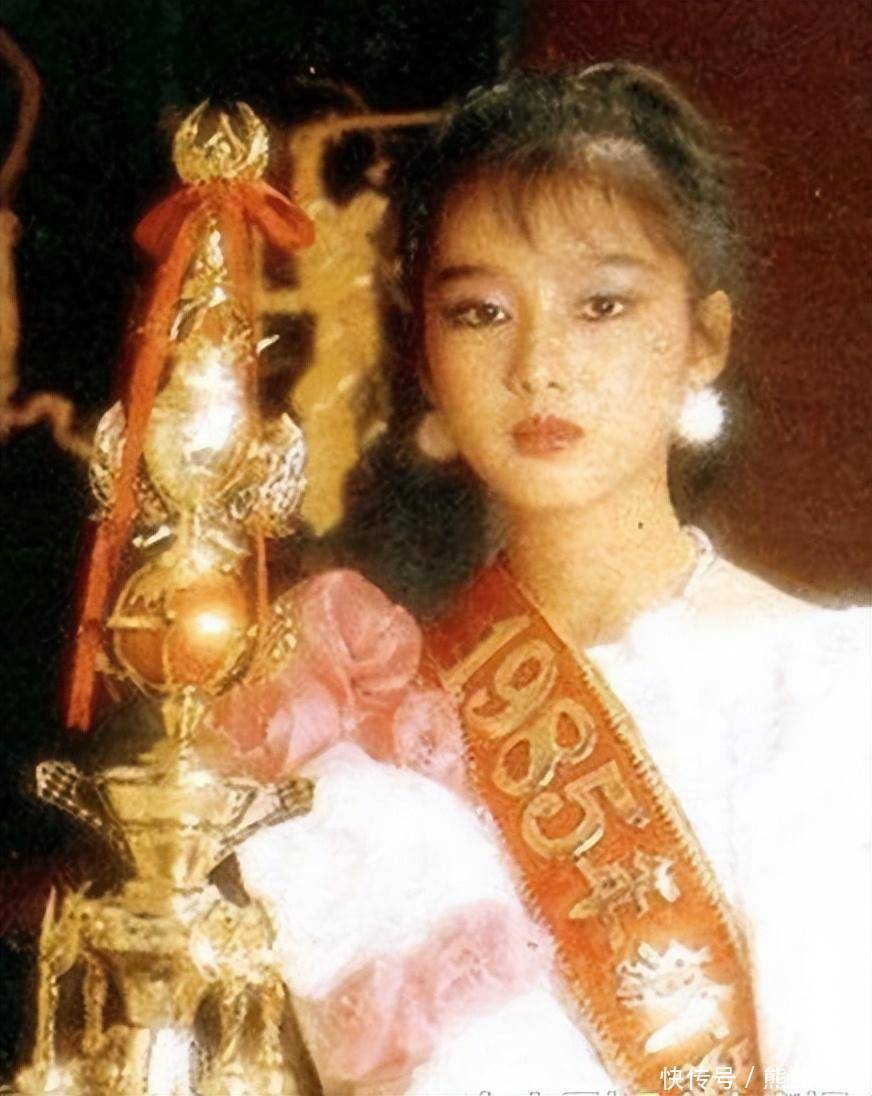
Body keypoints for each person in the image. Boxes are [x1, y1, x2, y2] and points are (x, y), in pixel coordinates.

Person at [204, 64, 871, 1094]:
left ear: (702, 339)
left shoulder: (824, 688)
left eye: (601, 304)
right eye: (480, 312)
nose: (539, 364)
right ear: (425, 357)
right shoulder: (368, 736)